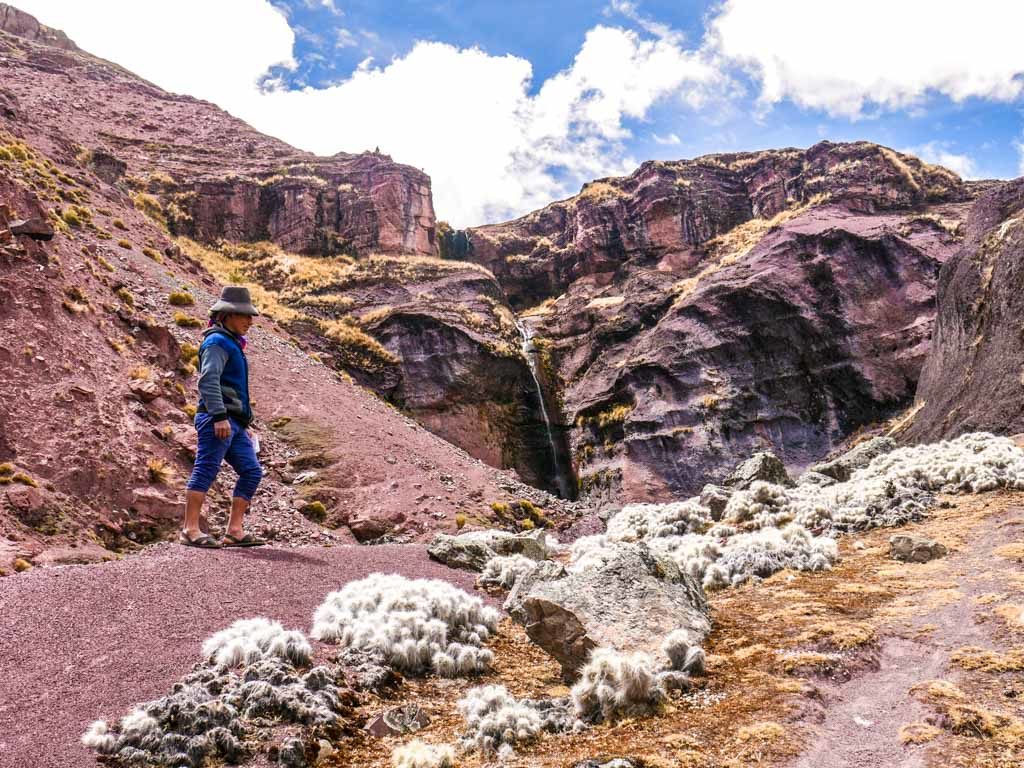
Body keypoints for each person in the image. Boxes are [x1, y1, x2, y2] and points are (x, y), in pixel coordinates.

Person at [180, 286, 265, 548]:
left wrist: (244, 423)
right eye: (244, 315)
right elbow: (208, 380)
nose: (249, 321)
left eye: (250, 316)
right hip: (217, 419)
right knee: (206, 468)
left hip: (234, 423)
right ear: (227, 314)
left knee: (251, 471)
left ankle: (234, 531)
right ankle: (190, 529)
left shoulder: (231, 343)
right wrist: (219, 416)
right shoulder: (217, 342)